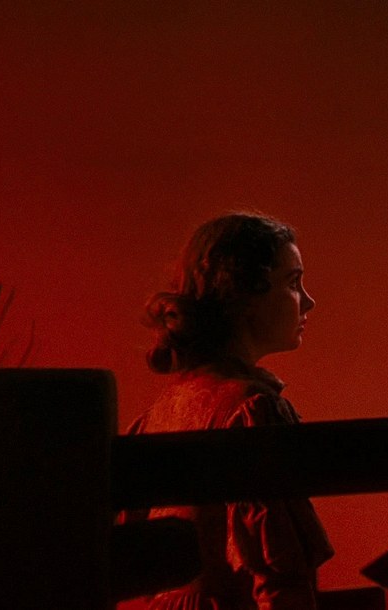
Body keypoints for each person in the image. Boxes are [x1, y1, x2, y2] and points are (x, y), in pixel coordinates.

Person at [123, 212, 334, 609]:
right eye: (292, 283)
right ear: (244, 297)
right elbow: (281, 577)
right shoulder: (252, 409)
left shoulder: (158, 415)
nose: (308, 301)